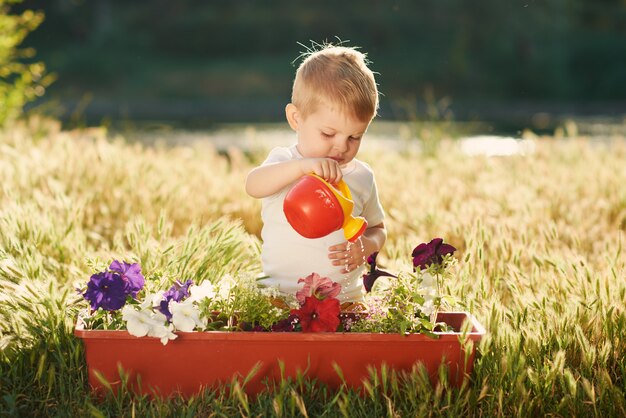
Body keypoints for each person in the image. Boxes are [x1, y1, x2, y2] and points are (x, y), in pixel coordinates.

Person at [245, 44, 386, 302]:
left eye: (355, 136)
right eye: (328, 134)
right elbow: (253, 185)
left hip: (344, 302)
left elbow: (378, 228)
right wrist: (302, 167)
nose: (342, 146)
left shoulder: (361, 177)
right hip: (278, 301)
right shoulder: (286, 162)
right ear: (296, 119)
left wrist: (366, 246)